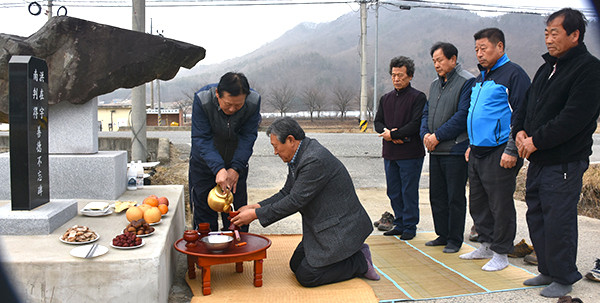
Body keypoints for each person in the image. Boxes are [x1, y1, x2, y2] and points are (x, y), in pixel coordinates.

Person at [230, 117, 380, 287]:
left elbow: (295, 201)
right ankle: (348, 255)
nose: (275, 152)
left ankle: (359, 261)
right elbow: (287, 192)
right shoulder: (298, 155)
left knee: (307, 276)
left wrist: (255, 215)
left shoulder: (313, 159)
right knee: (296, 264)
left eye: (275, 146)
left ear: (290, 140)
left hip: (341, 227)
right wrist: (256, 206)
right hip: (323, 224)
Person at [513, 8, 600, 297]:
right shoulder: (546, 67)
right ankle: (547, 270)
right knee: (536, 214)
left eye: (555, 33)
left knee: (558, 219)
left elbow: (573, 118)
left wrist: (536, 140)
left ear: (575, 35)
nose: (548, 39)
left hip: (564, 161)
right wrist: (521, 132)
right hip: (538, 159)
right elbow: (526, 106)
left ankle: (563, 277)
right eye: (546, 33)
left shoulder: (589, 69)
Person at [459, 28, 530, 271]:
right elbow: (477, 116)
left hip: (501, 150)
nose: (479, 53)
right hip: (477, 150)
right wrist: (471, 144)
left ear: (499, 47)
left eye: (484, 48)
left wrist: (511, 149)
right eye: (476, 49)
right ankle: (486, 244)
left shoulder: (513, 75)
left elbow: (521, 114)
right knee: (478, 202)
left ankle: (501, 252)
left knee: (500, 204)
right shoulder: (480, 78)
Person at [188, 72, 261, 232]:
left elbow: (248, 136)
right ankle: (208, 254)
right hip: (204, 165)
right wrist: (218, 169)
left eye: (238, 105)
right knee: (204, 218)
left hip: (236, 164)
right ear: (217, 94)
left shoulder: (253, 102)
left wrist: (235, 168)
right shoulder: (203, 99)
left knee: (236, 215)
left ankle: (237, 254)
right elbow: (201, 138)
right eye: (228, 104)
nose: (232, 109)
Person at [420, 42, 475, 253]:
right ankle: (442, 234)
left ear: (453, 59)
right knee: (437, 195)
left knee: (454, 196)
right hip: (435, 149)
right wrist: (425, 134)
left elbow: (462, 116)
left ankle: (455, 239)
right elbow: (426, 112)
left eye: (440, 60)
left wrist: (438, 135)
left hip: (455, 148)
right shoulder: (434, 85)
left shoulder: (466, 82)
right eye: (434, 61)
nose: (436, 64)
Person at [374, 56, 427, 240]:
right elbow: (377, 122)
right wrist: (387, 133)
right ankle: (400, 222)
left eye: (401, 75)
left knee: (408, 190)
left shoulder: (418, 97)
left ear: (410, 76)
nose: (396, 79)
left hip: (410, 153)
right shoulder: (385, 98)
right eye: (394, 75)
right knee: (394, 190)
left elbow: (416, 124)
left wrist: (395, 135)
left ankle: (410, 226)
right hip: (390, 152)